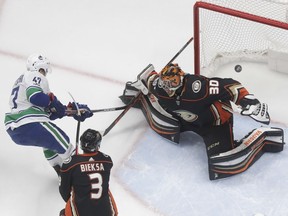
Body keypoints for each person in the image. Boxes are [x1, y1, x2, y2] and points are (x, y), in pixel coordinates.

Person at [120, 63, 284, 180]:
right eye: (166, 83)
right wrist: (138, 86)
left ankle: (262, 137)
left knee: (220, 165)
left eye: (173, 83)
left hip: (214, 122)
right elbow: (148, 77)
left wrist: (249, 102)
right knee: (165, 125)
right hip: (188, 118)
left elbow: (230, 86)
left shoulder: (197, 87)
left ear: (182, 79)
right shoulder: (158, 86)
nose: (168, 87)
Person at [4, 53, 93, 175]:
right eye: (44, 70)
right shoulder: (34, 75)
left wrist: (71, 111)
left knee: (49, 143)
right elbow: (35, 97)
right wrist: (53, 101)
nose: (45, 73)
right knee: (64, 144)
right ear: (41, 67)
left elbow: (48, 112)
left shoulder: (23, 81)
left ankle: (63, 173)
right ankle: (82, 176)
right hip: (28, 122)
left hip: (16, 130)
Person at [59, 129, 118, 216]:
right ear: (97, 145)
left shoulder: (70, 164)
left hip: (81, 211)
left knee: (64, 213)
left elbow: (64, 191)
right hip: (107, 212)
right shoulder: (107, 161)